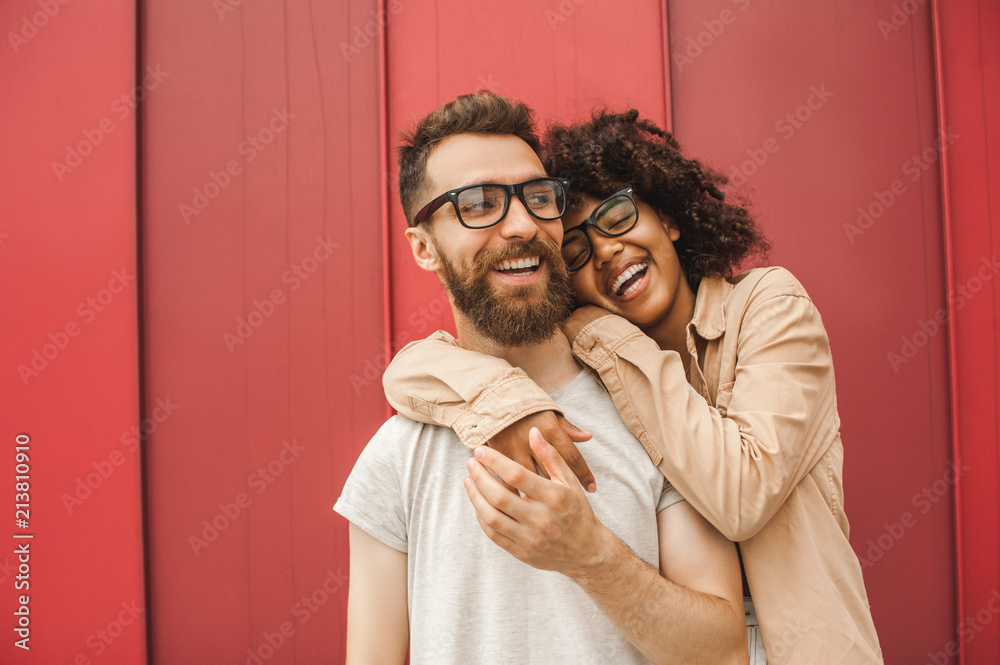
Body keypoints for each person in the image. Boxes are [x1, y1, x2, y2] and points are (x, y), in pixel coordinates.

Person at [382, 107, 884, 663]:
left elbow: (743, 494)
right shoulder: (592, 374)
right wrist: (508, 401)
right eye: (575, 250)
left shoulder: (767, 307)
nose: (606, 250)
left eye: (619, 217)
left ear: (667, 217)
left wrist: (593, 326)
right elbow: (409, 370)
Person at [335, 91, 749, 665]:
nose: (522, 224)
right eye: (478, 204)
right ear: (424, 248)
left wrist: (591, 557)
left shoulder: (654, 410)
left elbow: (724, 655)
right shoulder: (397, 458)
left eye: (537, 197)